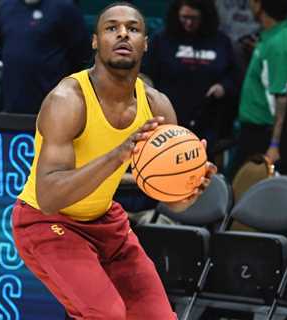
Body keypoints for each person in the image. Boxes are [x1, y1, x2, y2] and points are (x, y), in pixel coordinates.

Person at [12, 2, 216, 319]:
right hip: (45, 222)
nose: (123, 33)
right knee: (107, 314)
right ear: (96, 41)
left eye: (133, 28)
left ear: (145, 43)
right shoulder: (68, 100)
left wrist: (189, 187)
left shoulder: (157, 104)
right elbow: (50, 197)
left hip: (105, 222)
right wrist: (119, 153)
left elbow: (173, 204)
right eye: (111, 28)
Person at [142, 0, 238, 159]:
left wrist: (223, 86)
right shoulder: (162, 39)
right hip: (168, 121)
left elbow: (233, 76)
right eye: (184, 17)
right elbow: (145, 74)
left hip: (207, 120)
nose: (188, 23)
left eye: (194, 18)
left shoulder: (221, 41)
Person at [0, 0, 93, 114]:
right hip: (13, 104)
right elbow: (5, 47)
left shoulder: (65, 7)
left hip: (53, 107)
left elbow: (82, 54)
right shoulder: (5, 7)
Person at [235, 0, 287, 171]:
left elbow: (282, 97)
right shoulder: (270, 37)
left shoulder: (280, 43)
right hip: (253, 133)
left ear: (259, 5)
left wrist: (275, 145)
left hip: (264, 138)